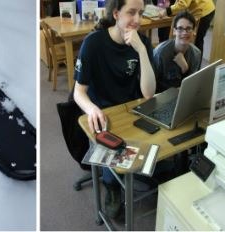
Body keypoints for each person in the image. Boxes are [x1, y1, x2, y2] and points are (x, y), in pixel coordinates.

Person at [73, 0, 156, 219]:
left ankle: (127, 174)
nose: (137, 20)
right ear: (117, 13)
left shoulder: (142, 43)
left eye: (141, 13)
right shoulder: (93, 43)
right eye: (131, 13)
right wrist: (91, 109)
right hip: (104, 115)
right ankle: (111, 187)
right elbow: (78, 92)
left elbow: (148, 93)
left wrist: (141, 51)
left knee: (160, 151)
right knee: (115, 159)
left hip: (131, 111)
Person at [152, 10, 202, 93]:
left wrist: (185, 68)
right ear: (174, 31)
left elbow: (191, 85)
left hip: (182, 95)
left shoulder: (196, 54)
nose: (184, 33)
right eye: (180, 28)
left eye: (189, 28)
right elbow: (152, 85)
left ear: (194, 31)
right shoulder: (160, 53)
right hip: (161, 95)